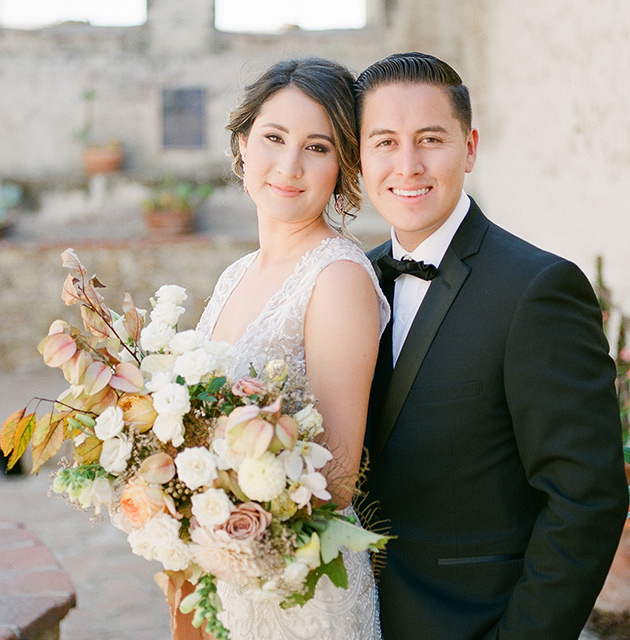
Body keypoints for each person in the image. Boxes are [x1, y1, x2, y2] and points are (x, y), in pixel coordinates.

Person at [356, 52, 628, 640]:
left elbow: (586, 498)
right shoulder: (351, 282)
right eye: (384, 142)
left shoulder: (538, 289)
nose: (408, 164)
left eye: (431, 138)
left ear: (470, 147)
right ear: (360, 155)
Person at [182, 57, 390, 640]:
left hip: (303, 588)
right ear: (244, 143)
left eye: (317, 148)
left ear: (342, 167)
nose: (290, 166)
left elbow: (339, 475)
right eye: (274, 137)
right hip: (230, 567)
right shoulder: (236, 274)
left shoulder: (337, 277)